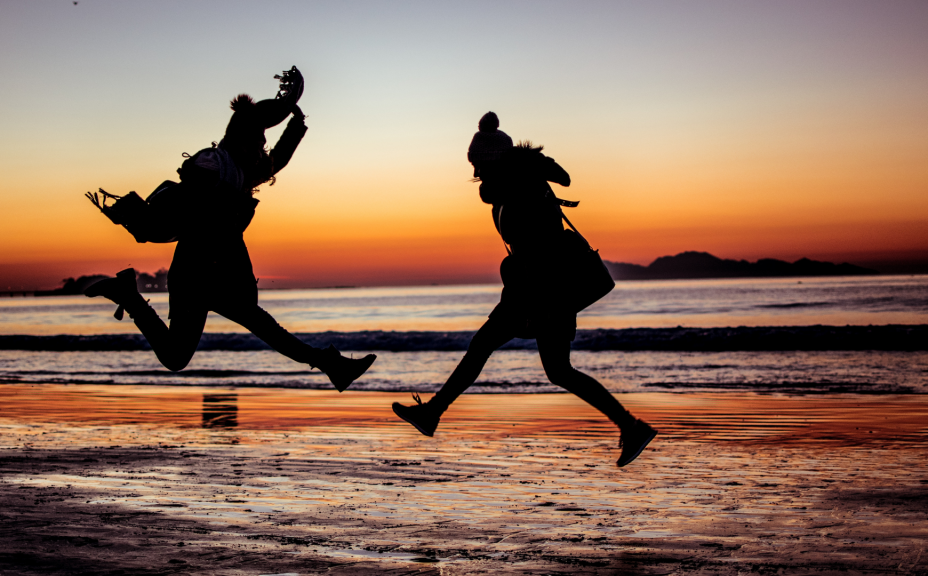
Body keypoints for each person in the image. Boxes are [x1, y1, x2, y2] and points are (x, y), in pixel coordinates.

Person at [392, 112, 656, 467]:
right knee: (545, 366)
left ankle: (631, 425)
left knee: (509, 354)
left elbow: (539, 252)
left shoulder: (521, 191)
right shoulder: (515, 186)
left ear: (494, 162)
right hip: (533, 289)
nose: (476, 175)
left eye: (479, 166)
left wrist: (539, 309)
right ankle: (630, 425)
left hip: (545, 291)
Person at [85, 69, 376, 391]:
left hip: (221, 269)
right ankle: (127, 296)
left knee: (253, 328)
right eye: (258, 141)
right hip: (196, 272)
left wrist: (297, 123)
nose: (262, 148)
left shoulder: (240, 173)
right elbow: (192, 181)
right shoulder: (215, 163)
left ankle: (333, 365)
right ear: (244, 139)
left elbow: (277, 161)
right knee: (186, 353)